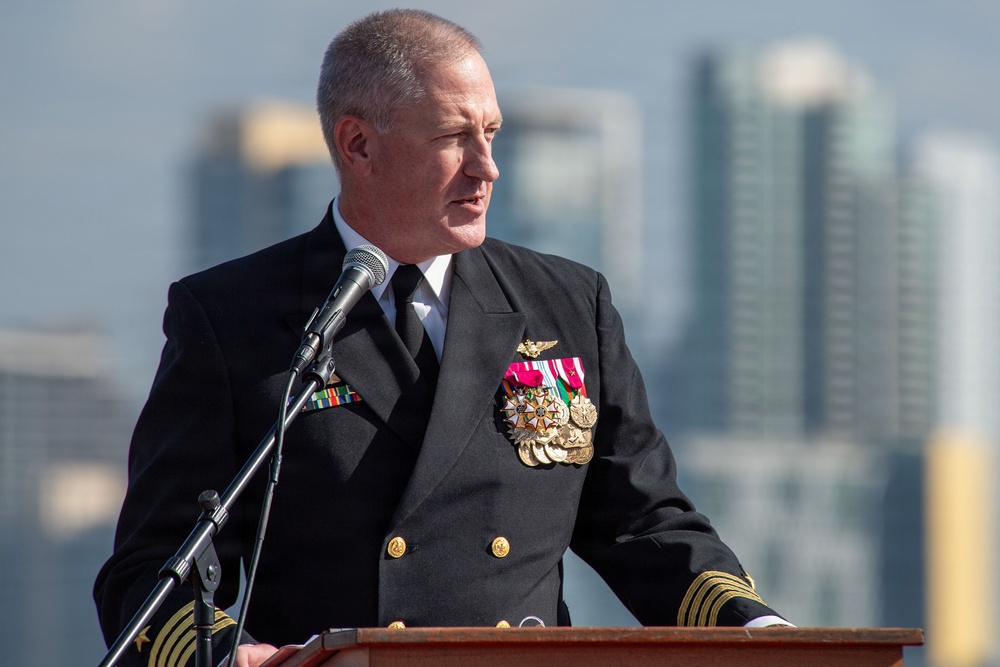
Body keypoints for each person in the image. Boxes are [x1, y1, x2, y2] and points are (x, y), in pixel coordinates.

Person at [95, 9, 788, 667]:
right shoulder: (233, 317)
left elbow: (643, 522)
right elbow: (155, 564)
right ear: (358, 143)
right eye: (455, 137)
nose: (487, 167)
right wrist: (226, 653)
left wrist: (759, 628)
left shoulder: (570, 304)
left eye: (492, 133)